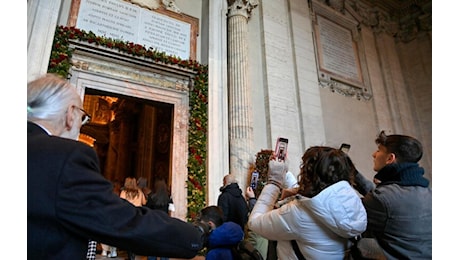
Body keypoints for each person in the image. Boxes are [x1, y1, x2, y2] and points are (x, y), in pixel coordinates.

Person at [27, 74, 209, 259]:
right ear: (70, 114)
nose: (80, 127)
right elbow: (121, 221)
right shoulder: (65, 155)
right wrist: (195, 234)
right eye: (83, 118)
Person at [248, 146, 367, 259]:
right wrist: (285, 173)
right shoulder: (351, 202)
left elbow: (255, 223)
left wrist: (274, 181)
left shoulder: (298, 214)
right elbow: (314, 202)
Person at [353, 131, 432, 259]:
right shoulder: (428, 193)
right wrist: (354, 175)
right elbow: (386, 199)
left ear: (390, 158)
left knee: (360, 244)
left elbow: (349, 214)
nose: (374, 154)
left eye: (379, 150)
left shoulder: (384, 198)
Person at [145, 179, 175, 260]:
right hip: (165, 223)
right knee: (164, 246)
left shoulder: (151, 197)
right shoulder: (168, 197)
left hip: (153, 223)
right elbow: (172, 210)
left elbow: (146, 209)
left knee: (152, 246)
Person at [120, 177, 147, 260]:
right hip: (137, 214)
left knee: (128, 235)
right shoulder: (139, 192)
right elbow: (144, 202)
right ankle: (133, 253)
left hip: (127, 214)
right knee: (135, 234)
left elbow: (121, 203)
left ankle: (130, 255)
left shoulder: (124, 192)